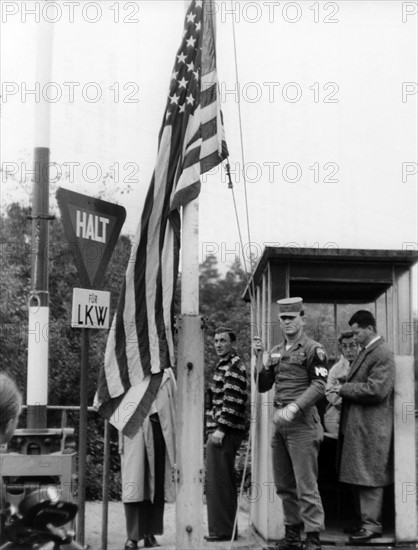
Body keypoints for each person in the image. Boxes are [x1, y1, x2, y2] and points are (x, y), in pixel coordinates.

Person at [252, 297, 328, 550]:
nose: (287, 323)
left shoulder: (313, 349)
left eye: (292, 318)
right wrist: (258, 359)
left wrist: (294, 407)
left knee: (306, 485)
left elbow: (319, 386)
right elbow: (264, 386)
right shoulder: (275, 351)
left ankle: (313, 538)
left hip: (303, 423)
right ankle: (293, 536)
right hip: (280, 425)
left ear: (302, 320)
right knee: (285, 485)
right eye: (283, 319)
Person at [337, 310, 395, 542]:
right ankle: (365, 522)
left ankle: (372, 526)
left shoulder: (381, 353)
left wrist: (344, 388)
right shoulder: (370, 351)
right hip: (361, 426)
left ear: (369, 328)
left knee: (369, 476)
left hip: (371, 426)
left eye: (358, 331)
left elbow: (377, 390)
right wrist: (347, 383)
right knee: (360, 476)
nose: (355, 336)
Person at [120, 368, 177, 549]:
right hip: (135, 429)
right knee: (134, 482)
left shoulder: (166, 375)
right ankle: (133, 535)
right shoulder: (130, 365)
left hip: (159, 428)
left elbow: (174, 403)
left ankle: (151, 532)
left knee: (156, 483)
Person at [204, 326, 247, 542]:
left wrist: (221, 429)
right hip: (220, 430)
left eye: (223, 340)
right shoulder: (224, 365)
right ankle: (225, 529)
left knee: (219, 482)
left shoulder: (234, 366)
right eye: (216, 341)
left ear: (232, 343)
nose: (219, 344)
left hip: (225, 432)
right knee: (220, 480)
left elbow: (234, 400)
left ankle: (222, 530)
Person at [323, 331, 359, 436]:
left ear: (359, 346)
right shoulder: (336, 369)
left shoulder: (365, 365)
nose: (348, 350)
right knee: (331, 421)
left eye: (352, 346)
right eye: (345, 346)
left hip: (359, 408)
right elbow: (329, 391)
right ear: (341, 348)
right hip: (339, 407)